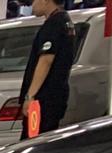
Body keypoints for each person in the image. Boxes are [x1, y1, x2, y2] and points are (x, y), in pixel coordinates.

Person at [20, 0, 74, 137]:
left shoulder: (54, 24)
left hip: (43, 101)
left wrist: (30, 96)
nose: (32, 5)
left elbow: (46, 61)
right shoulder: (66, 21)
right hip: (56, 96)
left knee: (33, 141)